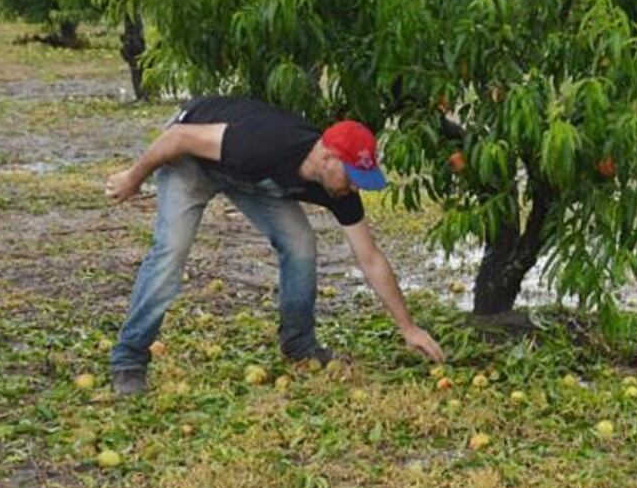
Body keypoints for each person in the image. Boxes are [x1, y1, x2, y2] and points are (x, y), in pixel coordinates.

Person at [104, 95, 445, 396]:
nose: (354, 189)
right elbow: (177, 137)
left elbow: (370, 259)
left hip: (250, 176)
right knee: (171, 252)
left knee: (300, 244)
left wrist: (408, 327)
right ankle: (129, 358)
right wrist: (132, 178)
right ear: (327, 157)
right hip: (191, 158)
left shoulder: (338, 190)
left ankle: (299, 344)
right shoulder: (266, 143)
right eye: (352, 177)